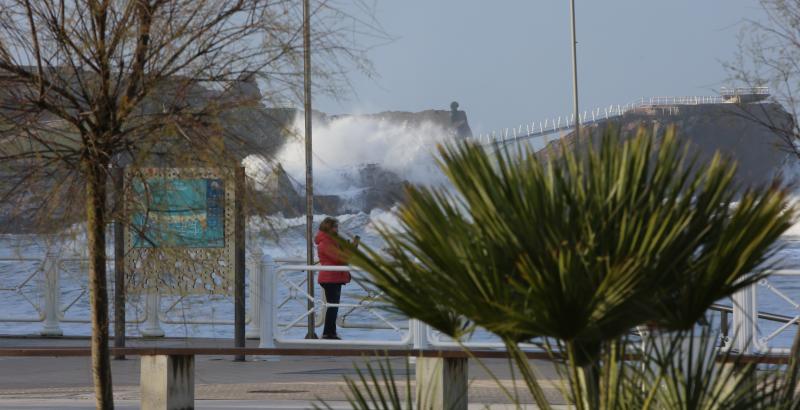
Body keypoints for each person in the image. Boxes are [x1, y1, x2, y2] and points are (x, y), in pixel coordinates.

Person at [315, 217, 359, 340]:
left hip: (334, 276)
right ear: (328, 228)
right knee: (332, 306)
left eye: (337, 227)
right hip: (330, 277)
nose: (337, 229)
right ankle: (328, 334)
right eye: (335, 227)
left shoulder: (331, 241)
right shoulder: (326, 242)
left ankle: (331, 332)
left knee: (333, 306)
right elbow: (339, 258)